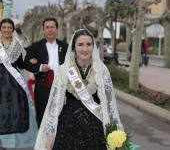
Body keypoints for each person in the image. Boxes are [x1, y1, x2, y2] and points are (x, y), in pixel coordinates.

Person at [34, 29, 123, 150]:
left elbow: (109, 103)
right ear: (74, 47)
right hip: (68, 124)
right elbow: (55, 104)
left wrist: (113, 131)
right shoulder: (64, 70)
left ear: (93, 46)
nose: (85, 49)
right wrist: (51, 133)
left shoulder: (101, 71)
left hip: (95, 126)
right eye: (80, 45)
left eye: (89, 44)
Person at [0, 18, 38, 149]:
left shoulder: (18, 44)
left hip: (15, 83)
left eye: (9, 28)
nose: (6, 30)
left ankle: (13, 142)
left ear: (13, 30)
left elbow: (22, 64)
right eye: (4, 27)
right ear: (0, 29)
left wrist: (36, 65)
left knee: (16, 110)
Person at [24, 17, 68, 128]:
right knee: (43, 118)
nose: (50, 30)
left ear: (56, 29)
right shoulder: (36, 46)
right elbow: (26, 63)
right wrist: (39, 67)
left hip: (61, 87)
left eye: (52, 27)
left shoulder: (65, 46)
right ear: (43, 30)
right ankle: (43, 144)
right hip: (42, 88)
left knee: (60, 116)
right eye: (47, 27)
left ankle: (57, 143)